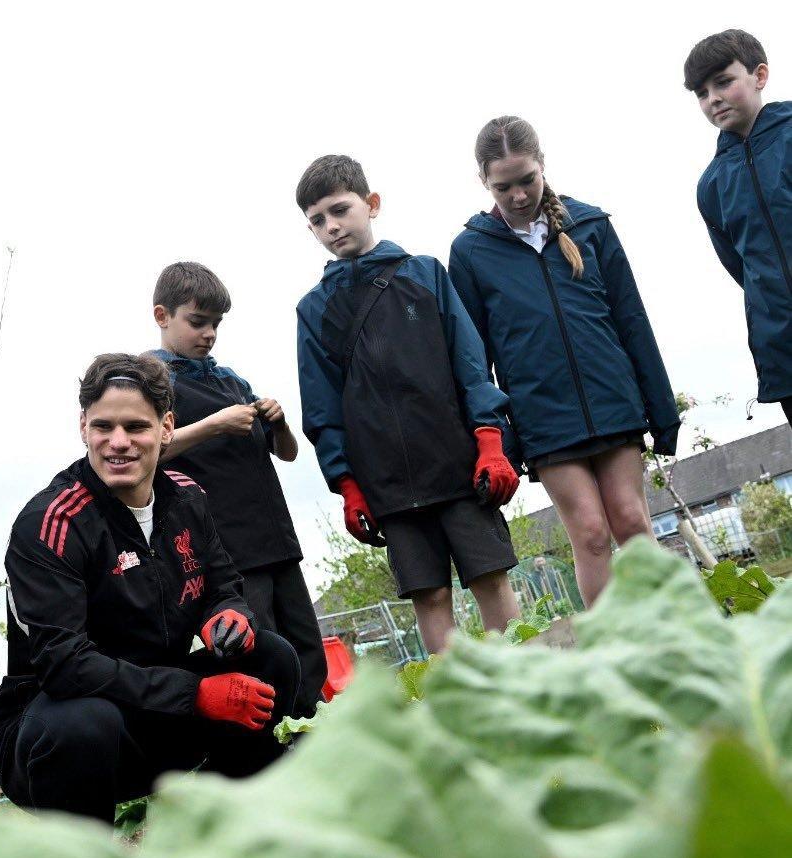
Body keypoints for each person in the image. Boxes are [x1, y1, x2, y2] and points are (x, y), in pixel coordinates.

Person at [0, 352, 300, 824]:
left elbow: (223, 583)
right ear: (83, 426)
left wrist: (229, 613)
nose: (118, 443)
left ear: (166, 427)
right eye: (103, 427)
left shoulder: (187, 496)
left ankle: (238, 830)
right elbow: (66, 666)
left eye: (136, 427)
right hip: (55, 729)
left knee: (271, 658)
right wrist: (196, 693)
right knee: (85, 722)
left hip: (160, 709)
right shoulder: (51, 524)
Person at [449, 117, 681, 606]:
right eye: (503, 186)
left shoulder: (591, 225)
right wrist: (501, 439)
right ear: (482, 182)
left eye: (527, 180)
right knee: (592, 534)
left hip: (614, 400)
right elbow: (475, 360)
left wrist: (661, 410)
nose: (517, 195)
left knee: (633, 522)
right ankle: (613, 656)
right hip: (545, 419)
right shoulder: (469, 251)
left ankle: (671, 639)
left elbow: (632, 320)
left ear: (543, 165)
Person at [294, 154, 521, 654]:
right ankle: (456, 716)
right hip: (386, 484)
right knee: (430, 595)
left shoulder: (425, 273)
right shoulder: (313, 310)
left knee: (490, 580)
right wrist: (347, 483)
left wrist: (490, 440)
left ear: (371, 204)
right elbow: (321, 407)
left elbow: (470, 362)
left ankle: (530, 689)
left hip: (460, 464)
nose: (331, 227)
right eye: (317, 221)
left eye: (340, 210)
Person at [151, 261, 326, 720]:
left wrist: (280, 422)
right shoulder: (154, 383)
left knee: (307, 648)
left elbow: (285, 453)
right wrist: (213, 425)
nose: (208, 333)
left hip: (276, 538)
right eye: (197, 321)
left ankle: (313, 731)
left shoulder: (232, 382)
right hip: (227, 552)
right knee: (264, 655)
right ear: (162, 316)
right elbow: (148, 452)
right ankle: (272, 749)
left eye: (216, 324)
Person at [685, 29, 791, 424]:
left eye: (724, 82)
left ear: (759, 76)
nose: (713, 98)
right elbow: (741, 267)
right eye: (701, 92)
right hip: (783, 346)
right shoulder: (711, 185)